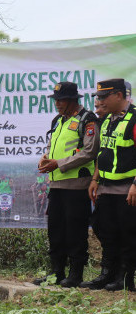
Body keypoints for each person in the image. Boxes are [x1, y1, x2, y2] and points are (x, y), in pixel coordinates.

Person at [32, 82, 98, 288]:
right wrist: (46, 158)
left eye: (60, 100)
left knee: (75, 231)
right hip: (57, 185)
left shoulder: (87, 120)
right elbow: (53, 147)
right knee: (56, 230)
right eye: (56, 100)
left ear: (72, 100)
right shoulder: (59, 121)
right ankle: (56, 273)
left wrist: (58, 164)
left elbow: (90, 151)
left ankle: (75, 274)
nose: (57, 104)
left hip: (77, 186)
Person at [82, 78, 136, 291]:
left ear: (119, 96)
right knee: (105, 230)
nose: (100, 101)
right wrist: (95, 179)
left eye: (105, 97)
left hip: (126, 188)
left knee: (127, 232)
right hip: (105, 187)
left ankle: (125, 278)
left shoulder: (134, 119)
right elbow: (103, 152)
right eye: (99, 97)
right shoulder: (106, 120)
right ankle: (107, 274)